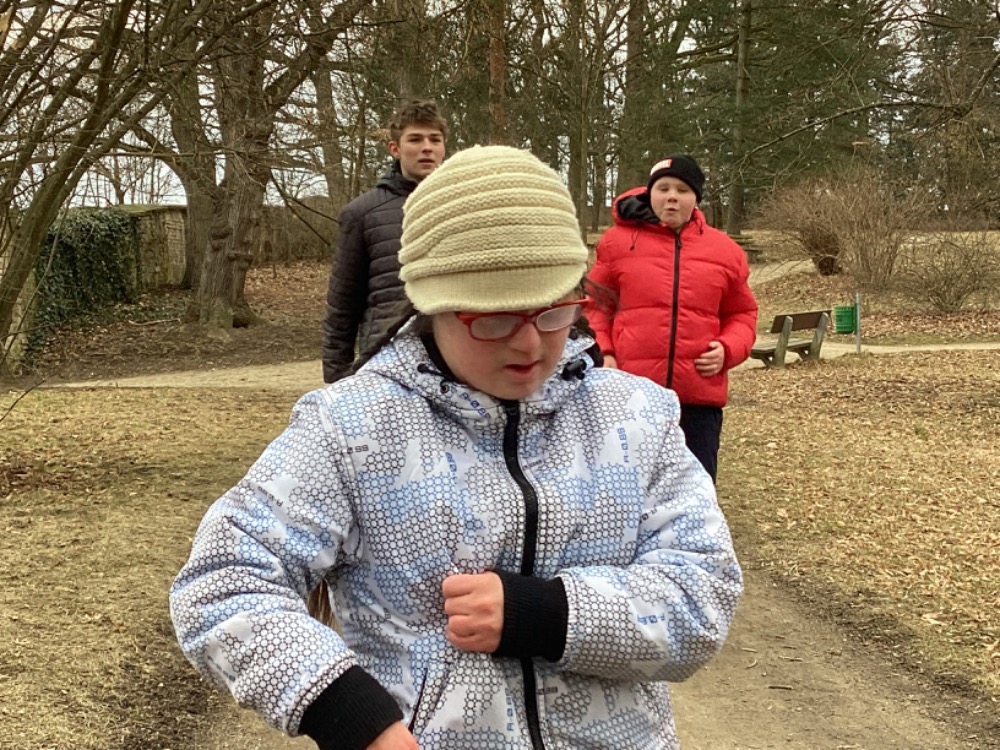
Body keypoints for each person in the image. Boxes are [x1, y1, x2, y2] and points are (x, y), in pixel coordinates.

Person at [170, 145, 742, 750]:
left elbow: (704, 594)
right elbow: (222, 584)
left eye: (553, 312)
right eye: (494, 319)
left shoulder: (637, 416)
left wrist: (544, 613)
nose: (530, 345)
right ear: (431, 306)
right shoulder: (350, 427)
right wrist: (348, 713)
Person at [588, 154, 758, 482]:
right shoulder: (616, 243)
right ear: (649, 193)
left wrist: (728, 349)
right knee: (626, 491)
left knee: (696, 493)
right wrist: (603, 352)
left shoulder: (726, 252)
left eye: (682, 189)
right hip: (629, 395)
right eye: (663, 188)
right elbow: (594, 307)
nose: (672, 197)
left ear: (696, 198)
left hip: (697, 401)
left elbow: (742, 313)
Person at [321, 98, 446, 384]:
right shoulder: (362, 213)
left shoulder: (464, 207)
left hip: (455, 360)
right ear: (395, 148)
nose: (427, 147)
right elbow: (342, 306)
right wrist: (337, 379)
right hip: (387, 360)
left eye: (434, 139)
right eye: (415, 139)